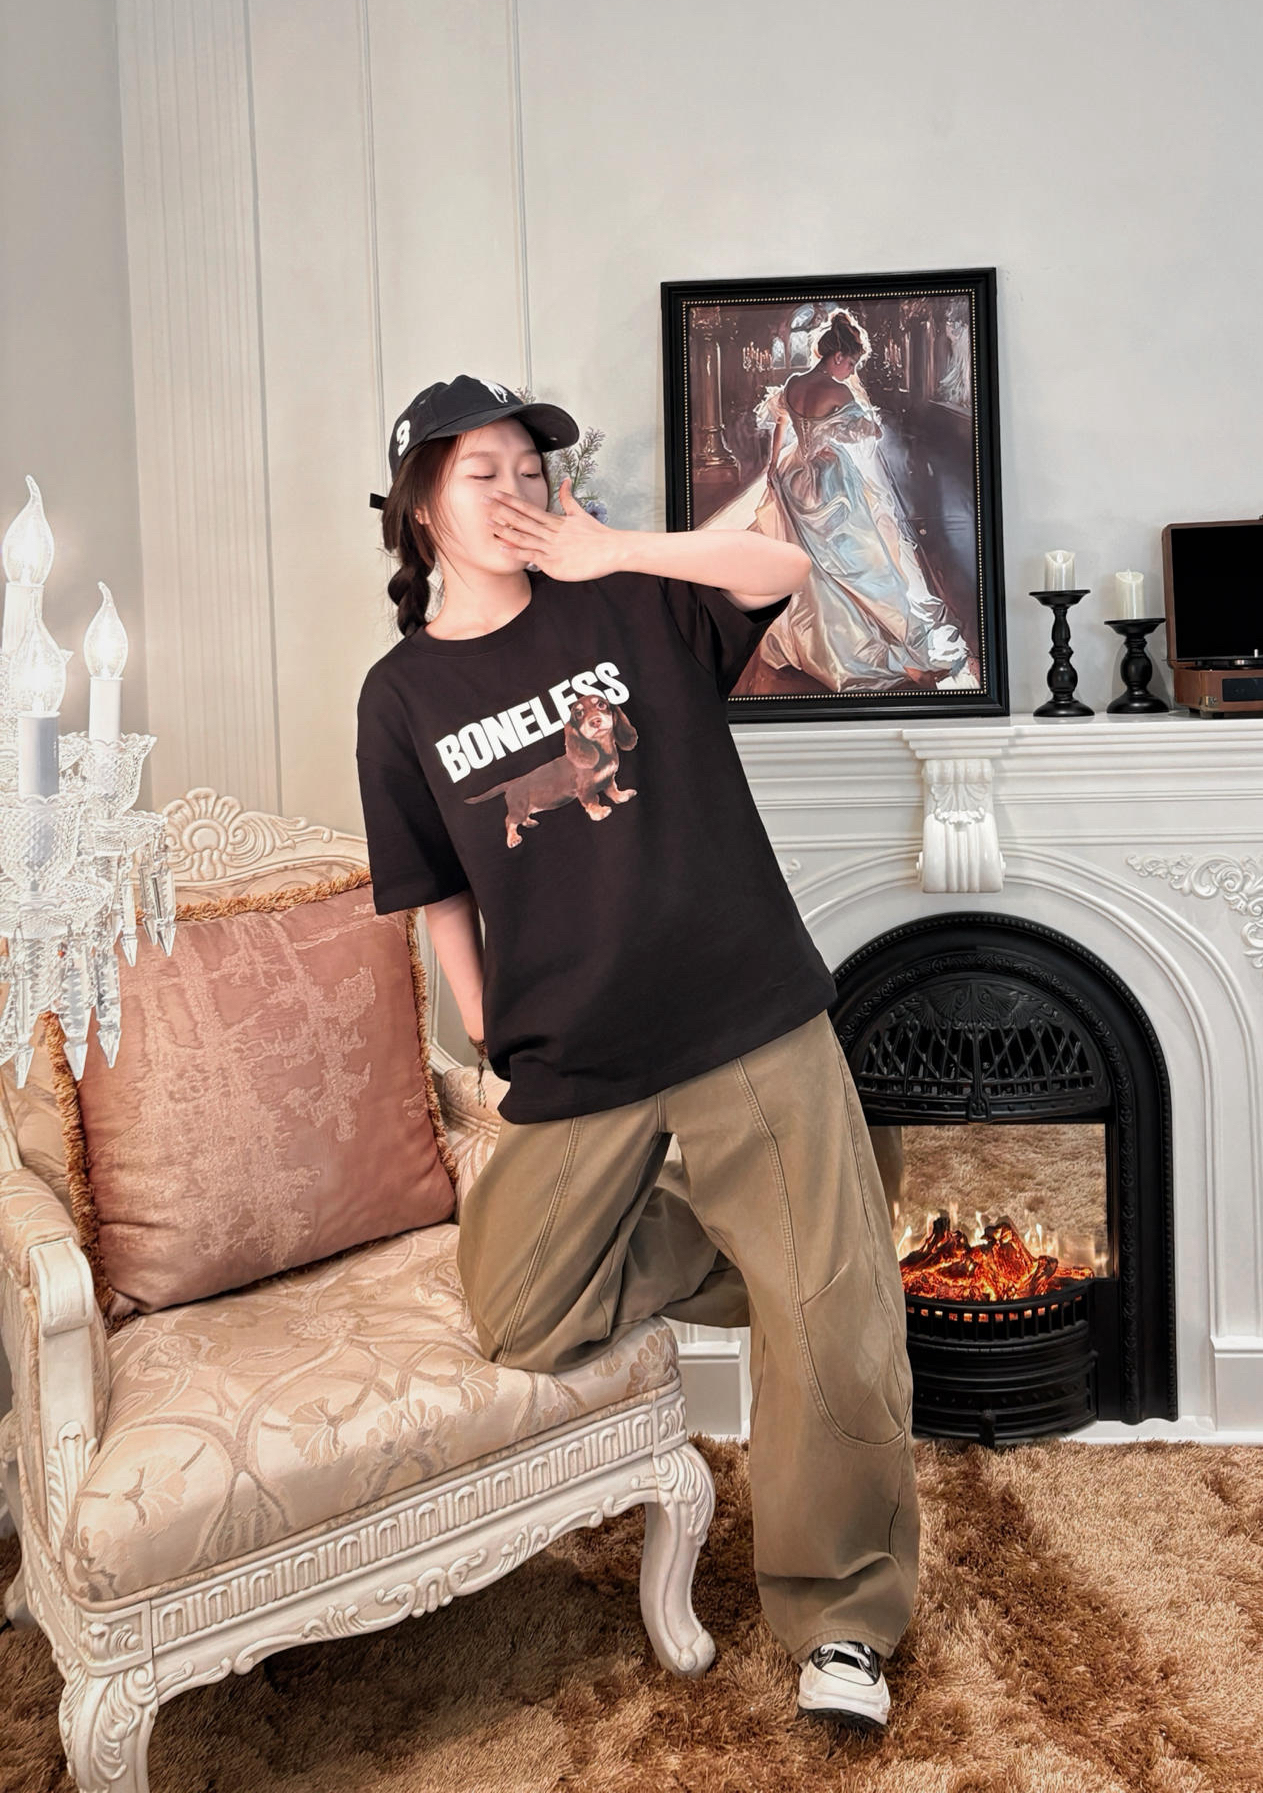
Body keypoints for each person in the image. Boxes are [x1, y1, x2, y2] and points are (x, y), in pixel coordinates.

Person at [355, 374, 919, 1734]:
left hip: (740, 1006)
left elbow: (784, 565)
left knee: (830, 1326)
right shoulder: (400, 695)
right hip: (575, 1049)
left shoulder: (623, 599)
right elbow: (437, 892)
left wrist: (615, 546)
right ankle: (799, 1238)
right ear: (420, 506)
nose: (516, 491)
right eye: (481, 472)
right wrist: (489, 1035)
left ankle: (842, 1622)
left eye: (530, 467)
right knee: (520, 1306)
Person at [750, 309, 979, 691]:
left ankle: (815, 638)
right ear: (838, 356)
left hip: (793, 476)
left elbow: (782, 422)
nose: (851, 371)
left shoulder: (793, 382)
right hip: (830, 482)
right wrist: (857, 421)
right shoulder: (838, 391)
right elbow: (867, 432)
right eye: (852, 364)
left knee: (814, 562)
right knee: (859, 558)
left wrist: (773, 465)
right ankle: (860, 644)